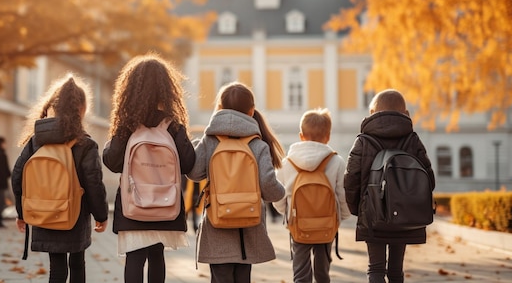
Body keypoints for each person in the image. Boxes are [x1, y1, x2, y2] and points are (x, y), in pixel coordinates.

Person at [102, 54, 196, 283]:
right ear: (167, 89)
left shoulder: (127, 124)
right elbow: (188, 163)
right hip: (165, 201)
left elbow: (112, 162)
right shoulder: (172, 124)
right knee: (157, 256)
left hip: (134, 202)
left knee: (134, 258)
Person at [11, 74, 109, 283]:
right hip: (73, 215)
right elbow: (93, 182)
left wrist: (22, 212)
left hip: (43, 212)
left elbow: (18, 175)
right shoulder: (85, 144)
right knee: (77, 264)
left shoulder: (37, 140)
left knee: (56, 268)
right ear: (82, 109)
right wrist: (101, 215)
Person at [187, 81, 285, 283]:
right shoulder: (258, 144)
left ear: (220, 109)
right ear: (251, 112)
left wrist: (198, 145)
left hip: (217, 224)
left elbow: (194, 173)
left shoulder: (210, 140)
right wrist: (282, 192)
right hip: (247, 228)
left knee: (220, 277)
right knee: (243, 277)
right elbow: (270, 188)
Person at [344, 89, 435, 283]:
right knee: (396, 270)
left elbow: (351, 179)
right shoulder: (413, 140)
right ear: (406, 114)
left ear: (372, 114)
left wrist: (358, 211)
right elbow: (429, 179)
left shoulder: (362, 141)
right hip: (404, 215)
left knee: (375, 269)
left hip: (372, 215)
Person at [273, 108, 350, 283]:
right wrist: (340, 217)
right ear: (328, 136)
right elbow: (342, 194)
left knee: (300, 272)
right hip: (327, 223)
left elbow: (278, 194)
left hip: (298, 223)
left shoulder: (287, 163)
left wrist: (286, 214)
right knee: (323, 272)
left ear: (301, 135)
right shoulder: (336, 161)